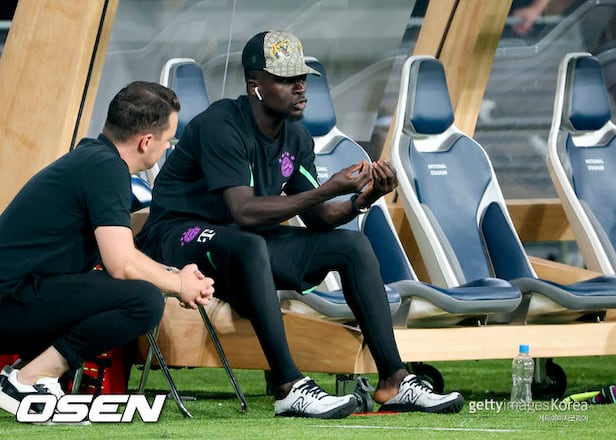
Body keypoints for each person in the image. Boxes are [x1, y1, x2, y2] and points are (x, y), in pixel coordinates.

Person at [136, 30, 464, 419]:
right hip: (177, 238)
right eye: (286, 79)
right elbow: (244, 212)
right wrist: (327, 189)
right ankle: (288, 386)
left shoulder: (296, 136)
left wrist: (364, 198)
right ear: (256, 86)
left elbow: (319, 217)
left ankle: (395, 380)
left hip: (241, 243)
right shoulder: (221, 124)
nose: (300, 87)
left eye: (302, 77)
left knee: (352, 246)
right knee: (250, 243)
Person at [0, 81, 214, 418]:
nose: (168, 147)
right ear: (146, 141)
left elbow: (120, 254)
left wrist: (173, 275)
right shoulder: (106, 169)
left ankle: (25, 372)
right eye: (169, 139)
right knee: (143, 300)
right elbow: (122, 265)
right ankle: (28, 379)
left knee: (135, 289)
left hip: (20, 296)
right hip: (9, 302)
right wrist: (178, 285)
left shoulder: (93, 158)